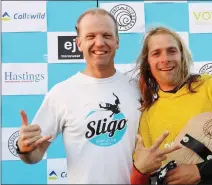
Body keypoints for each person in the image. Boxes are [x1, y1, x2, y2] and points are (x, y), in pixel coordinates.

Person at [16, 8, 142, 184]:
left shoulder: (137, 88)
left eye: (106, 35)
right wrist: (25, 149)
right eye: (90, 36)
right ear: (79, 43)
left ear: (117, 41)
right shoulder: (61, 93)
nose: (99, 43)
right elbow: (34, 155)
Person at [130, 26, 212, 185]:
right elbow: (147, 172)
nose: (165, 58)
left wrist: (200, 171)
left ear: (182, 56)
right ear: (147, 62)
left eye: (172, 51)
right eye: (156, 53)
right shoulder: (147, 114)